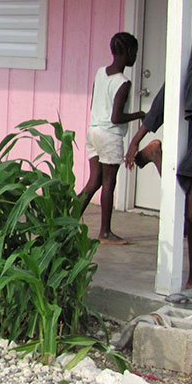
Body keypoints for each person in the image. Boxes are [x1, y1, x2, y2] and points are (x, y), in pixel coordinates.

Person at [125, 8, 192, 293]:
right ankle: (156, 155)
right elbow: (191, 91)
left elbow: (164, 94)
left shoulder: (188, 54)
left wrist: (140, 133)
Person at [79, 32, 145, 244]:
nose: (135, 55)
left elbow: (93, 105)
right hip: (109, 135)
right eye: (134, 51)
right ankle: (105, 232)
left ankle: (68, 221)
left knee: (93, 181)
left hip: (93, 130)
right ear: (126, 52)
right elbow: (116, 117)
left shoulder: (100, 73)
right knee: (108, 183)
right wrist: (140, 115)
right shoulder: (123, 82)